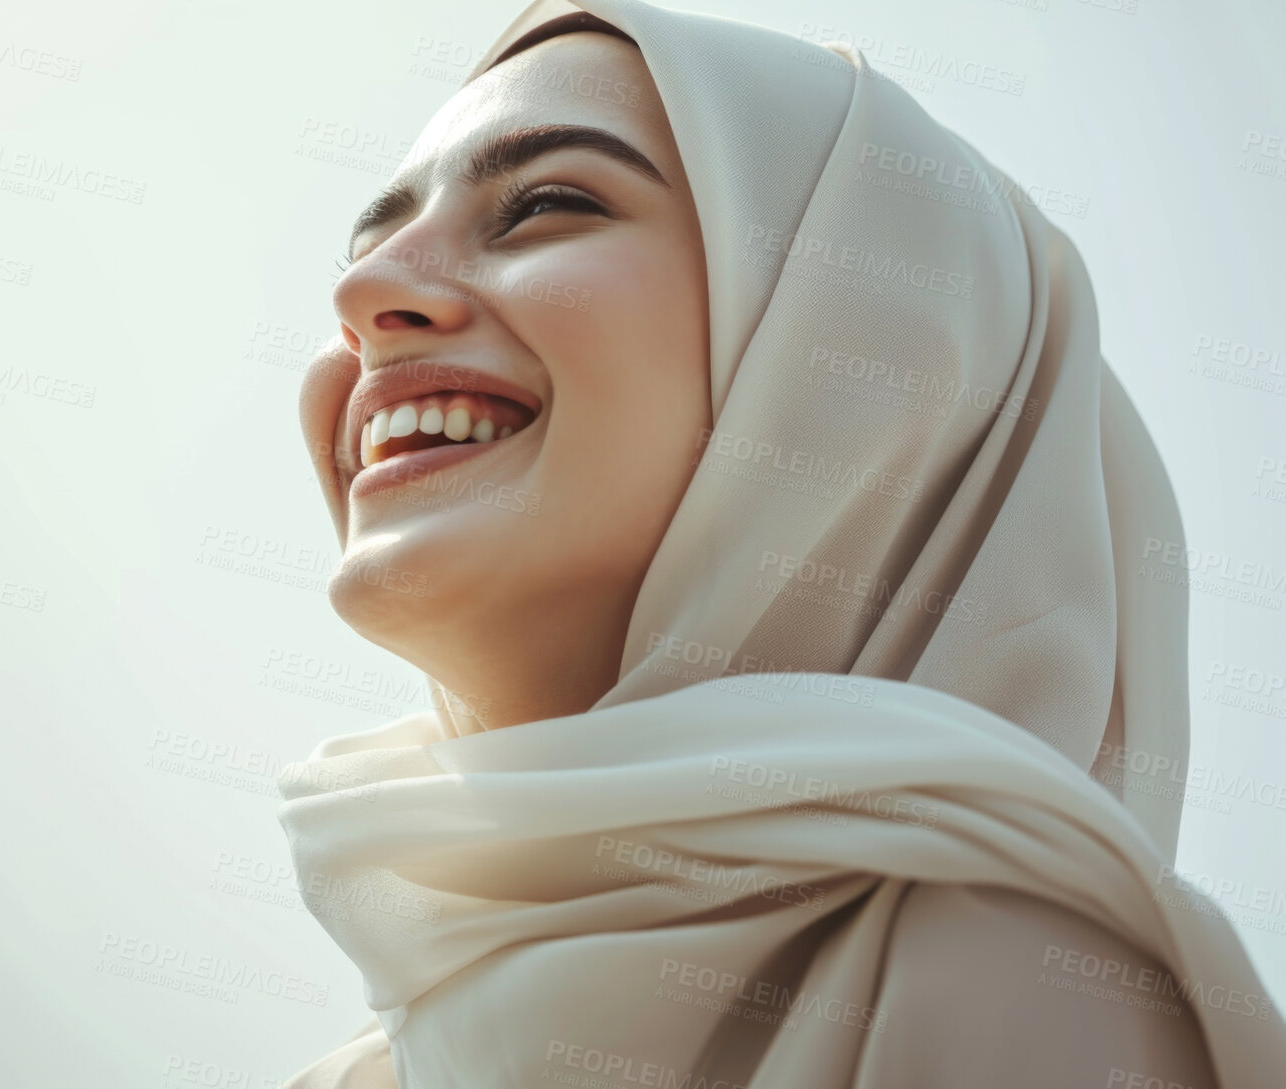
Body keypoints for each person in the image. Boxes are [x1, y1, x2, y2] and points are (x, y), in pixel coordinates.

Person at [279, 1, 1286, 1086]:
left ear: (853, 365)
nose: (362, 293)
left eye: (548, 205)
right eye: (370, 242)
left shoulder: (1009, 979)